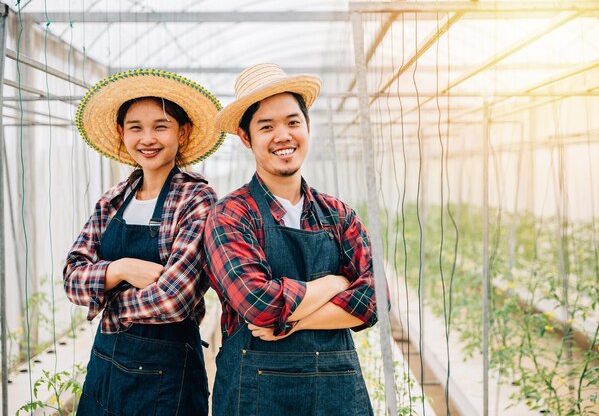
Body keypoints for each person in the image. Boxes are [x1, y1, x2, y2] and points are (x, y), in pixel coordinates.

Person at [205, 63, 382, 416]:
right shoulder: (230, 216)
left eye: (292, 122)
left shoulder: (337, 214)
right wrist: (336, 282)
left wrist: (296, 320)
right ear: (246, 137)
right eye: (266, 126)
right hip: (256, 394)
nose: (282, 135)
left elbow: (376, 301)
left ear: (307, 126)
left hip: (337, 390)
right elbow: (260, 305)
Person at [64, 69, 224, 416]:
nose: (147, 138)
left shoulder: (197, 199)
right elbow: (72, 278)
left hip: (167, 374)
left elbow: (173, 299)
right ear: (122, 134)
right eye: (136, 127)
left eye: (161, 126)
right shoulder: (112, 200)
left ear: (182, 132)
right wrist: (122, 268)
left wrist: (107, 298)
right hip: (105, 365)